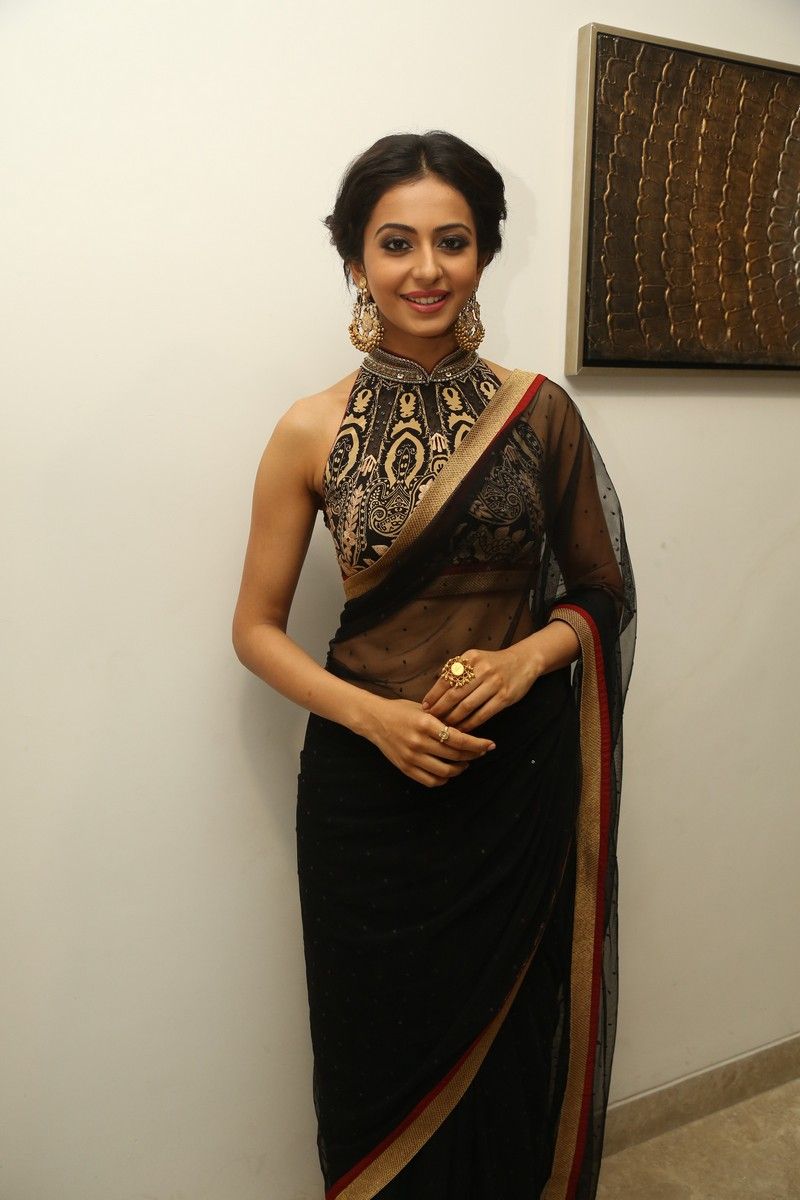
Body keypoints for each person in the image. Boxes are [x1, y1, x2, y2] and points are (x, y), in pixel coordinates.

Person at [232, 131, 636, 1200]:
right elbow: (256, 629)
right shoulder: (308, 429)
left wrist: (531, 656)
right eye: (396, 242)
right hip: (368, 795)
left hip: (515, 779)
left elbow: (601, 590)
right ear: (355, 260)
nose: (426, 269)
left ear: (484, 253)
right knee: (372, 1056)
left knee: (513, 1051)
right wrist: (374, 719)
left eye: (451, 241)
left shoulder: (539, 412)